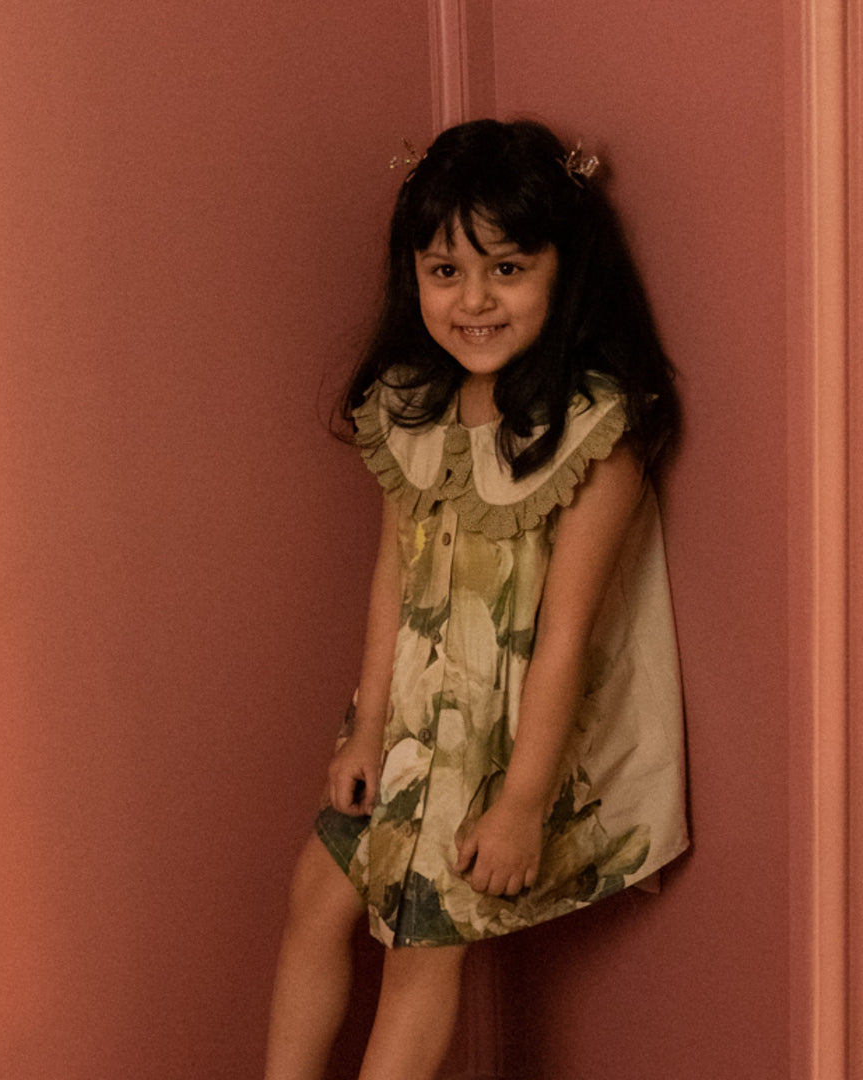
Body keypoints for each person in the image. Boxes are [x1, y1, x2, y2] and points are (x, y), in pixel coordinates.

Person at [263, 118, 688, 1080]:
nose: (474, 299)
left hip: (494, 746)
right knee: (313, 905)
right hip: (408, 715)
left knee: (421, 955)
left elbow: (570, 634)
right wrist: (367, 728)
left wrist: (524, 804)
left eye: (507, 267)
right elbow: (394, 578)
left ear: (560, 270)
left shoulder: (594, 433)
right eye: (445, 270)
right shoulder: (412, 408)